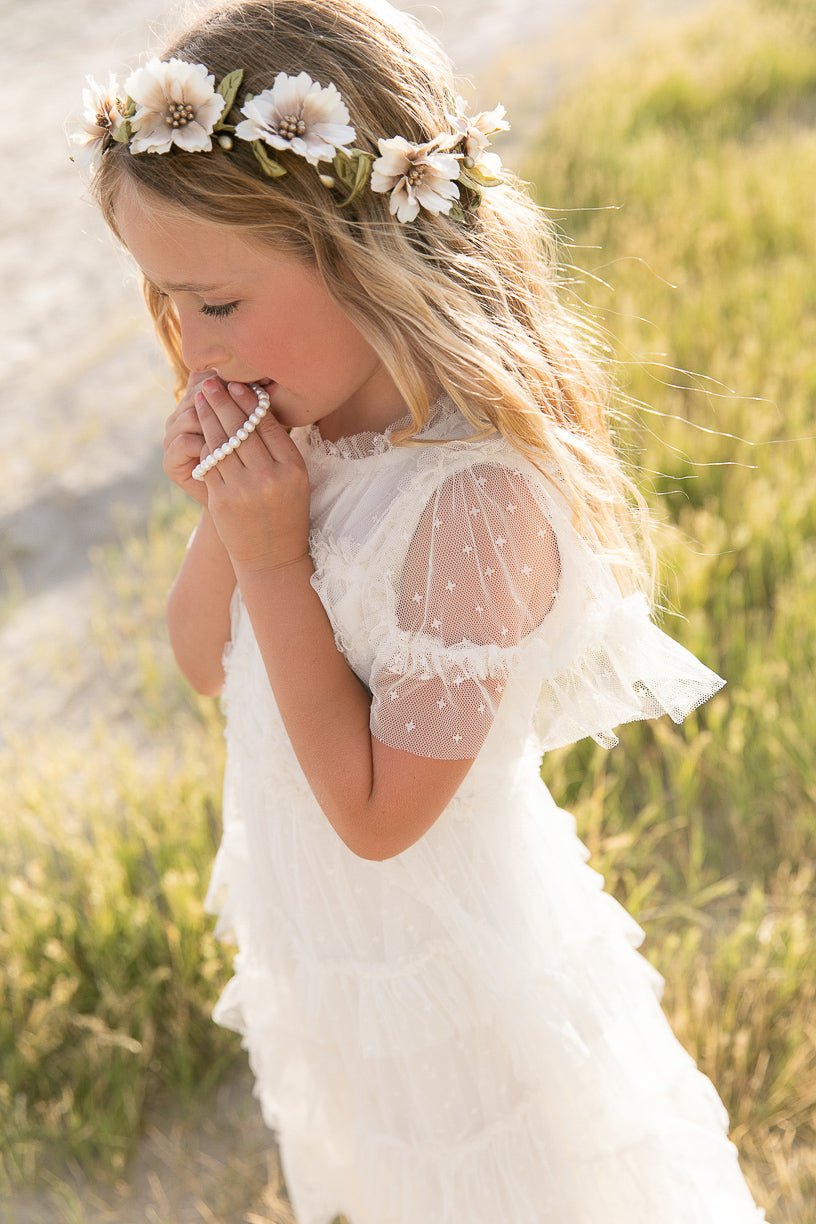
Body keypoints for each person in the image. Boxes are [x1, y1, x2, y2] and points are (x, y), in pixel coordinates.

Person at [67, 1, 770, 1220]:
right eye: (163, 298)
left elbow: (383, 815)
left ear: (367, 257)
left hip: (460, 978)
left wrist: (276, 562)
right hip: (336, 950)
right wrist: (224, 523)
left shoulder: (470, 502)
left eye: (215, 303)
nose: (185, 340)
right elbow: (205, 665)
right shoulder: (300, 431)